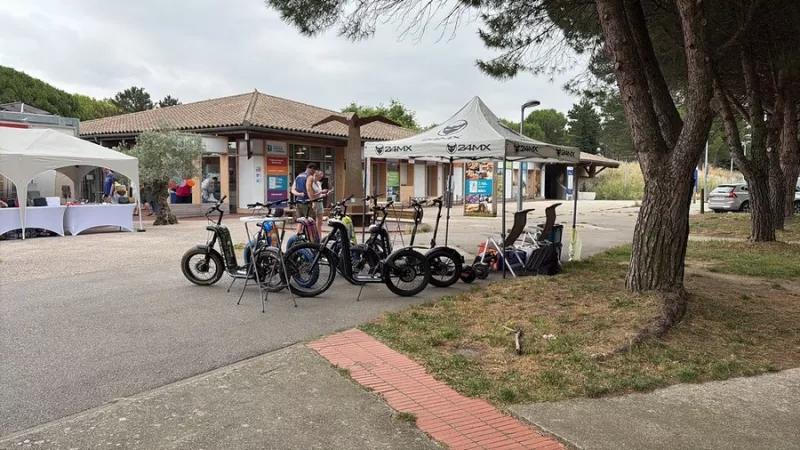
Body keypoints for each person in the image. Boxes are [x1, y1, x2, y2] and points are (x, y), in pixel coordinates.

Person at [291, 163, 317, 232]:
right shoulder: (309, 177)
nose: (314, 172)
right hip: (306, 203)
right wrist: (313, 201)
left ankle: (298, 238)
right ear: (312, 169)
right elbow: (308, 188)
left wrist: (299, 194)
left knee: (300, 222)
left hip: (298, 202)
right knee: (311, 221)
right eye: (314, 171)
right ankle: (311, 240)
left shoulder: (298, 176)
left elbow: (293, 190)